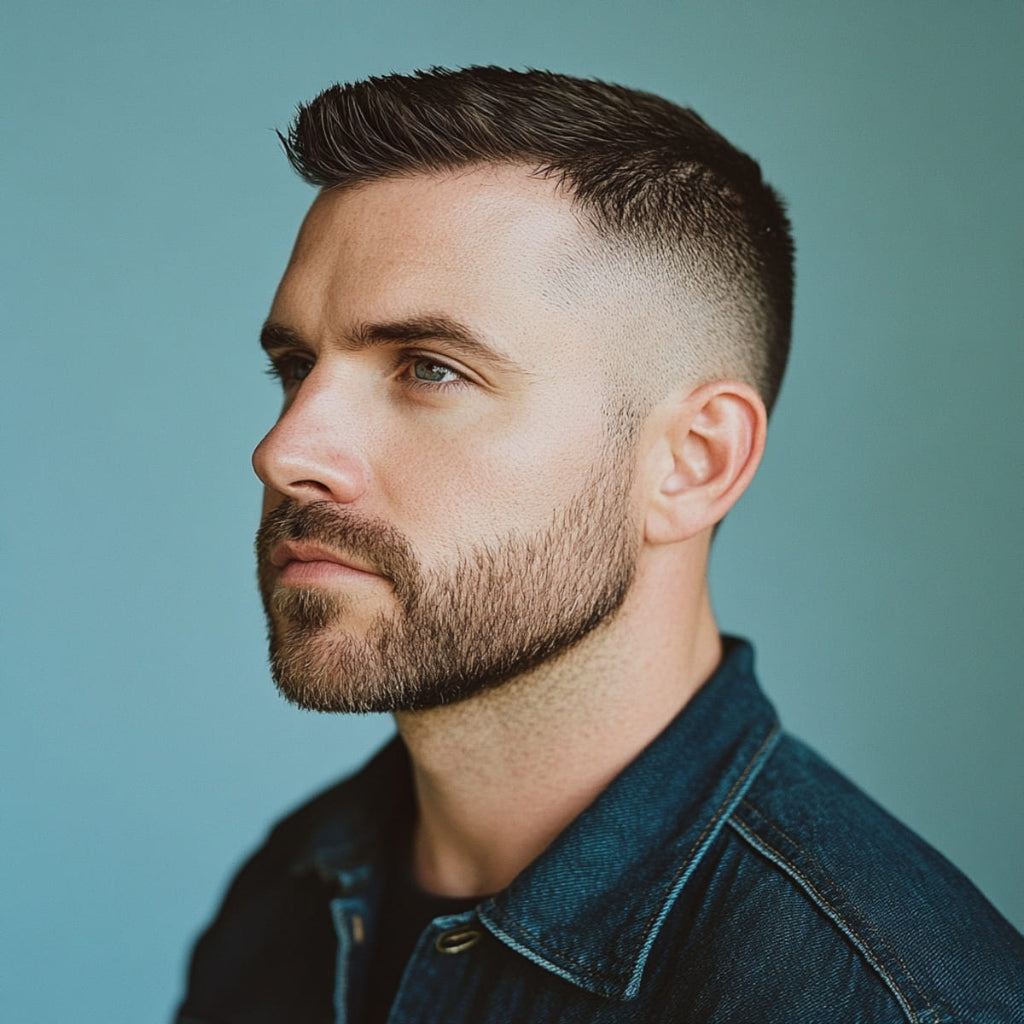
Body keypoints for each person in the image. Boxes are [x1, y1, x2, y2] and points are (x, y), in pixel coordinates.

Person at [175, 67, 1023, 1023]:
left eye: (430, 369)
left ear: (693, 464)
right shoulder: (290, 895)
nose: (285, 451)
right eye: (296, 368)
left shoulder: (888, 998)